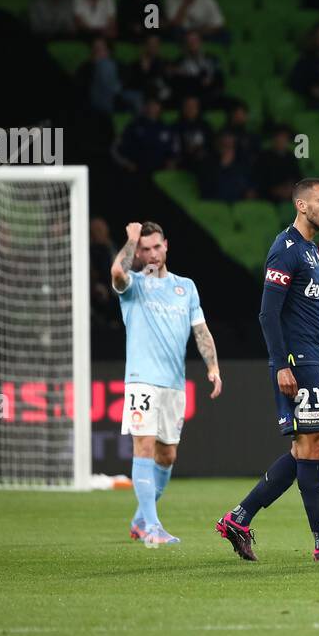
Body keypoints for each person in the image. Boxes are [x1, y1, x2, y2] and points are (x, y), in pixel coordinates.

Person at [216, 179, 319, 562]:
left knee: (304, 448)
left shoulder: (312, 252)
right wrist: (281, 364)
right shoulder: (285, 249)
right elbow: (267, 313)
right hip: (296, 363)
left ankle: (238, 519)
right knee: (313, 446)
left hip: (313, 360)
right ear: (302, 206)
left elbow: (311, 318)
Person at [110, 222, 220, 546]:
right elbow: (117, 271)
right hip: (141, 381)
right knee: (143, 446)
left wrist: (212, 366)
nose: (152, 254)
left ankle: (140, 519)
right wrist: (129, 240)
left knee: (167, 455)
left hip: (173, 384)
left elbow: (200, 330)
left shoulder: (185, 287)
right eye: (144, 249)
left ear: (166, 245)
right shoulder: (133, 286)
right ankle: (153, 528)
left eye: (156, 247)